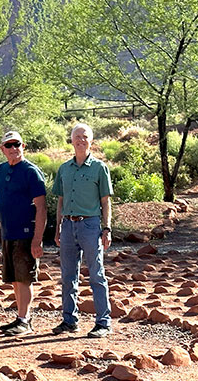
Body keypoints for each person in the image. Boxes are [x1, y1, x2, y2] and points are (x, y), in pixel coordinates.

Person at [52, 123, 113, 338]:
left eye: (85, 136)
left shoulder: (99, 168)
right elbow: (60, 200)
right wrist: (58, 227)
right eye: (77, 136)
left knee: (96, 274)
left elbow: (105, 202)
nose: (81, 140)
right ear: (71, 140)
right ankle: (69, 320)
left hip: (90, 225)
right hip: (68, 225)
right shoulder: (64, 169)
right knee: (68, 275)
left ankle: (103, 323)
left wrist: (106, 228)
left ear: (91, 140)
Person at [0, 131, 47, 336]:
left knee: (24, 278)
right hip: (8, 232)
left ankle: (25, 320)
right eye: (9, 145)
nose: (13, 148)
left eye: (17, 144)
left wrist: (37, 239)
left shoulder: (31, 172)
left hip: (26, 233)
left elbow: (41, 207)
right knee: (15, 278)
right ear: (2, 149)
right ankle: (20, 317)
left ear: (23, 146)